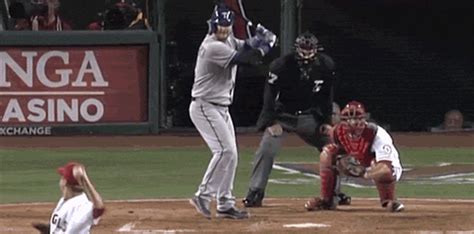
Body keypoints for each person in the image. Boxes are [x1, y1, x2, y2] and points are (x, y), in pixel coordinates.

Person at [188, 3, 276, 219]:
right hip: (205, 106)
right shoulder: (212, 47)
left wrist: (258, 38)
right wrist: (267, 45)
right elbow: (246, 60)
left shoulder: (226, 39)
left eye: (227, 26)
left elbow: (244, 47)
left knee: (232, 155)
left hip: (220, 107)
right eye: (221, 26)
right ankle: (203, 194)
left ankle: (225, 203)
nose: (224, 30)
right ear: (213, 25)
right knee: (224, 152)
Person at [243, 32, 350, 207]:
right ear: (296, 49)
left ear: (316, 50)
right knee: (267, 150)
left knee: (332, 146)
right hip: (283, 117)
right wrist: (270, 122)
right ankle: (255, 192)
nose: (307, 53)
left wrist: (326, 121)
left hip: (310, 117)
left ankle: (333, 193)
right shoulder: (281, 65)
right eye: (303, 49)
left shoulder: (326, 65)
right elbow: (269, 95)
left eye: (310, 49)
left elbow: (327, 95)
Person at [305, 101, 405, 212]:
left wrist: (365, 173)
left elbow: (386, 168)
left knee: (378, 167)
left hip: (387, 167)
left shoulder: (377, 134)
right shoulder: (338, 132)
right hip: (360, 162)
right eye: (349, 119)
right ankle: (327, 200)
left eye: (357, 119)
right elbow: (329, 132)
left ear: (364, 119)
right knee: (327, 153)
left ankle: (388, 200)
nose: (353, 122)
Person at [32, 162, 105, 233]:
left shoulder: (81, 206)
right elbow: (63, 226)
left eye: (62, 177)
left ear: (65, 182)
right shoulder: (65, 200)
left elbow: (99, 209)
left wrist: (86, 181)